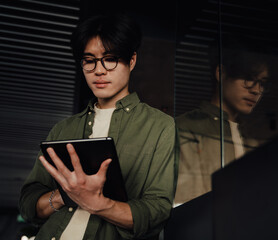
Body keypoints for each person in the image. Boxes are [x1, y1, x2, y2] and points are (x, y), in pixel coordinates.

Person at [19, 14, 177, 240]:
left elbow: (157, 212)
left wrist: (99, 204)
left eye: (110, 58)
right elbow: (28, 204)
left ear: (131, 60)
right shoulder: (63, 129)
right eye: (89, 60)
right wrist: (66, 195)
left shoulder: (159, 126)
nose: (99, 70)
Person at [174, 42, 270, 205]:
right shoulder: (186, 127)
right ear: (221, 73)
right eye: (249, 79)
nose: (256, 90)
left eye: (262, 83)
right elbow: (183, 203)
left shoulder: (250, 139)